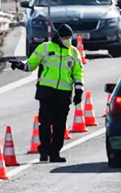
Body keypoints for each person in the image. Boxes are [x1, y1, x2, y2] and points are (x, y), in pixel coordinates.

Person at [10, 24, 84, 163]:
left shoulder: (73, 52)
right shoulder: (45, 48)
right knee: (45, 123)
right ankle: (44, 150)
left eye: (69, 38)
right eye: (65, 38)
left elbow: (78, 72)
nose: (68, 40)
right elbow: (30, 65)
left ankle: (55, 152)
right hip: (47, 92)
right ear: (58, 37)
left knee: (60, 125)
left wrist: (79, 90)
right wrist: (20, 65)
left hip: (64, 93)